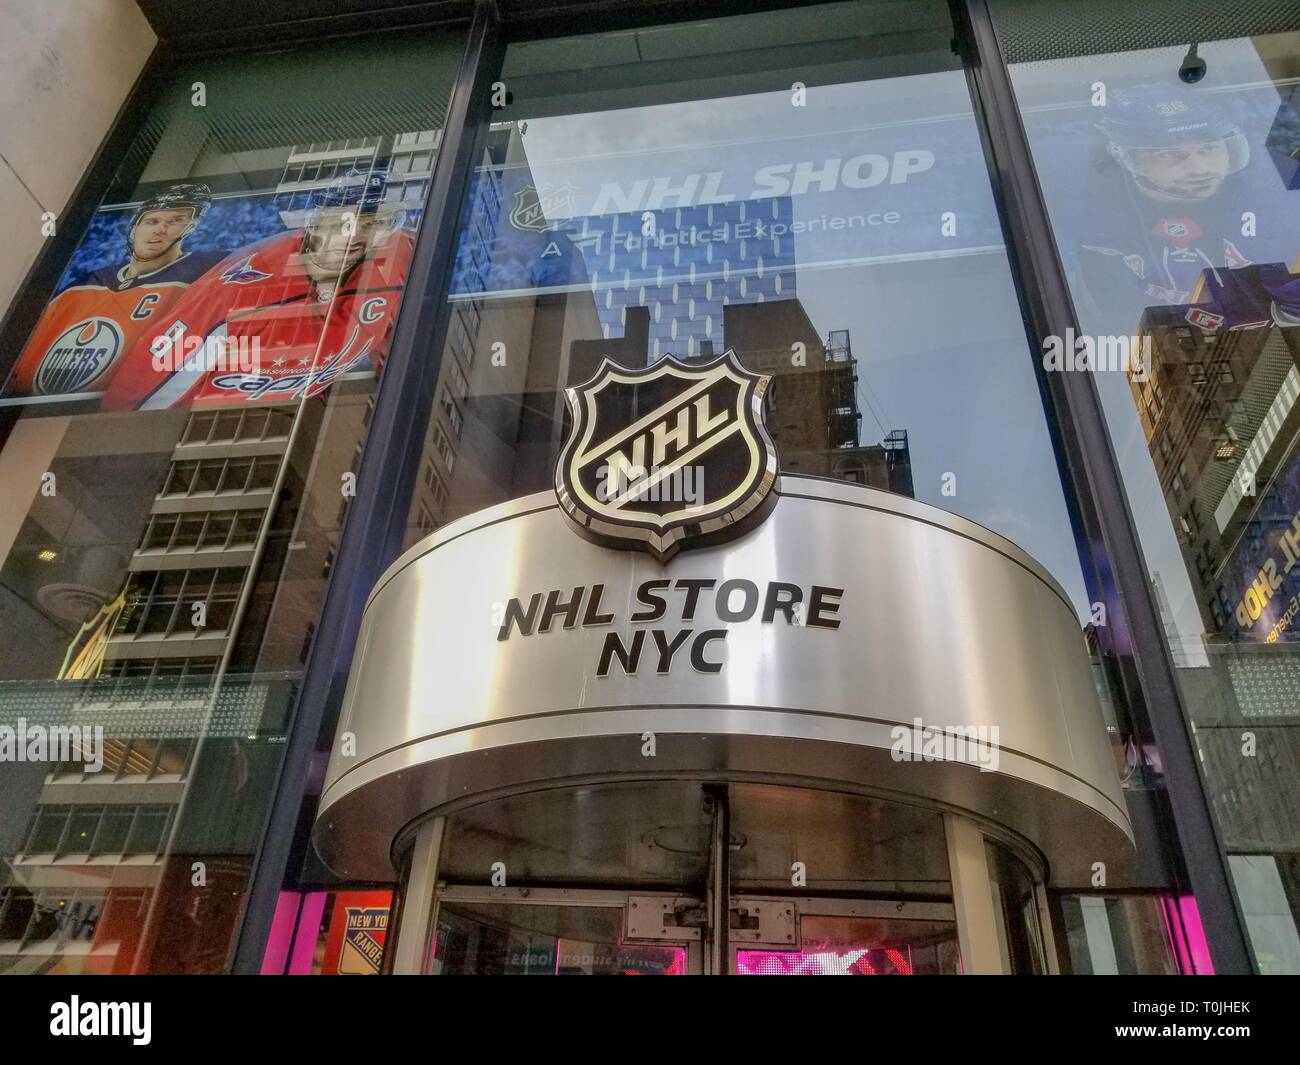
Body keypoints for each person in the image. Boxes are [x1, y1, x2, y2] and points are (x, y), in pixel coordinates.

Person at [101, 168, 414, 411]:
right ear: (315, 223)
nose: (354, 235)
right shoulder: (234, 295)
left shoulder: (395, 260)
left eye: (375, 223)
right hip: (210, 434)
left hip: (298, 426)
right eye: (342, 222)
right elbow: (136, 400)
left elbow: (400, 351)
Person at [1075, 83, 1299, 332]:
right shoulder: (1093, 227)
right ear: (1127, 159)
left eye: (1208, 148)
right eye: (1169, 154)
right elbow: (1117, 324)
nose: (1199, 168)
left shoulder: (1279, 194)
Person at [4, 183, 219, 398]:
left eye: (175, 221)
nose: (160, 229)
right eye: (152, 221)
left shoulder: (209, 268)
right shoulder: (83, 284)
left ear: (190, 227)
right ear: (134, 229)